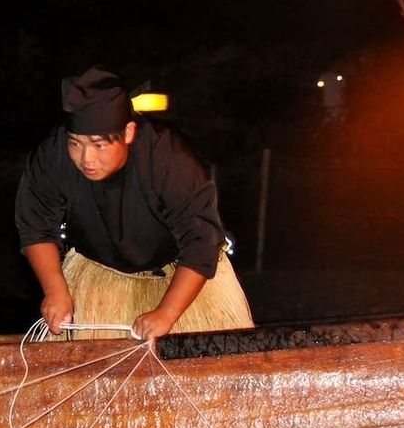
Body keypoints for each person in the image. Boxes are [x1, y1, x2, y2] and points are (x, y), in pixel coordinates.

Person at [15, 65, 254, 341]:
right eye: (75, 144)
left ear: (128, 132)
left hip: (176, 273)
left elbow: (201, 242)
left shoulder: (167, 159)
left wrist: (167, 312)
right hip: (99, 275)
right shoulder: (54, 155)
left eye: (99, 145)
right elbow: (35, 226)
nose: (86, 158)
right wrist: (55, 290)